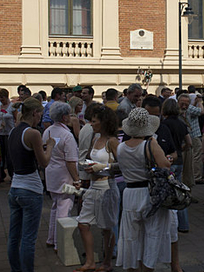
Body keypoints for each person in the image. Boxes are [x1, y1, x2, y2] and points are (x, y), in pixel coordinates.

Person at [115, 108, 175, 272]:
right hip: (149, 193)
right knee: (153, 235)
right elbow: (165, 165)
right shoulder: (150, 145)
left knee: (131, 236)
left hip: (130, 193)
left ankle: (133, 267)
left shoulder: (120, 148)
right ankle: (148, 268)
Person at [7, 98, 52, 271]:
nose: (41, 117)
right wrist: (51, 147)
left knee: (14, 236)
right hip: (30, 188)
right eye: (40, 113)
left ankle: (15, 269)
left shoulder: (13, 132)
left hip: (15, 187)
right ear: (35, 113)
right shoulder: (33, 133)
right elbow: (44, 163)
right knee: (28, 238)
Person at [76, 104, 121, 272]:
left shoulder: (112, 141)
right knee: (83, 223)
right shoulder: (95, 139)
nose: (91, 124)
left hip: (107, 188)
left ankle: (107, 262)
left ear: (103, 122)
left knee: (106, 228)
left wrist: (102, 168)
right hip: (94, 187)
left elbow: (122, 166)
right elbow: (89, 157)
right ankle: (90, 261)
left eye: (94, 121)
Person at [43, 102, 81, 250]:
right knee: (64, 208)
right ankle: (60, 242)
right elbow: (71, 161)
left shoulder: (48, 131)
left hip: (51, 173)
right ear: (65, 117)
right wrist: (77, 179)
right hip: (64, 175)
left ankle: (51, 238)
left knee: (55, 206)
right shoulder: (67, 135)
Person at [161, 99, 191, 233]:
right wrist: (181, 150)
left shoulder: (164, 124)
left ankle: (170, 224)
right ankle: (184, 224)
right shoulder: (181, 123)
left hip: (168, 160)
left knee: (169, 193)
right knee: (180, 192)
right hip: (179, 160)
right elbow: (189, 142)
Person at [179, 93, 203, 187]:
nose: (184, 105)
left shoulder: (188, 110)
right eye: (182, 103)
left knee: (188, 168)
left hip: (188, 143)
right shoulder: (176, 113)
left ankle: (188, 190)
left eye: (187, 103)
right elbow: (201, 111)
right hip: (181, 144)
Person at [0, 88, 15, 180]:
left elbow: (16, 119)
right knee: (1, 154)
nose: (1, 100)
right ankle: (1, 174)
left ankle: (12, 173)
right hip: (1, 133)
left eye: (2, 98)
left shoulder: (12, 106)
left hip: (9, 132)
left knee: (9, 155)